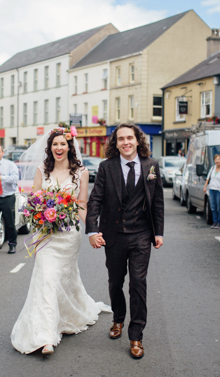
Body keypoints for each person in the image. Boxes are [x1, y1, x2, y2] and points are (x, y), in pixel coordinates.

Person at [11, 128, 111, 355]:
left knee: (63, 279)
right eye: (55, 144)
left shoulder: (81, 173)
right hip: (46, 235)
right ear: (50, 147)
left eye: (62, 144)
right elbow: (34, 200)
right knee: (46, 279)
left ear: (69, 146)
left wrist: (92, 232)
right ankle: (45, 337)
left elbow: (82, 204)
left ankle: (69, 314)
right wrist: (38, 215)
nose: (59, 148)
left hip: (68, 236)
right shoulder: (41, 171)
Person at [86, 123, 164, 360]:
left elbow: (157, 200)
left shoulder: (151, 166)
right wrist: (92, 231)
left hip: (141, 235)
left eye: (130, 138)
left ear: (138, 140)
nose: (126, 142)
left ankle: (136, 335)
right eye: (121, 139)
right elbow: (95, 200)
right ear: (116, 143)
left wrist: (158, 232)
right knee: (115, 282)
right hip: (114, 235)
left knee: (138, 283)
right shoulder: (106, 167)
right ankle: (118, 318)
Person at [204, 154, 220, 229]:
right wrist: (205, 187)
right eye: (216, 159)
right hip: (212, 189)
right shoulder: (212, 168)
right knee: (213, 207)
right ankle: (214, 222)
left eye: (218, 159)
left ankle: (219, 222)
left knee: (219, 207)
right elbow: (208, 178)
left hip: (219, 190)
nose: (217, 161)